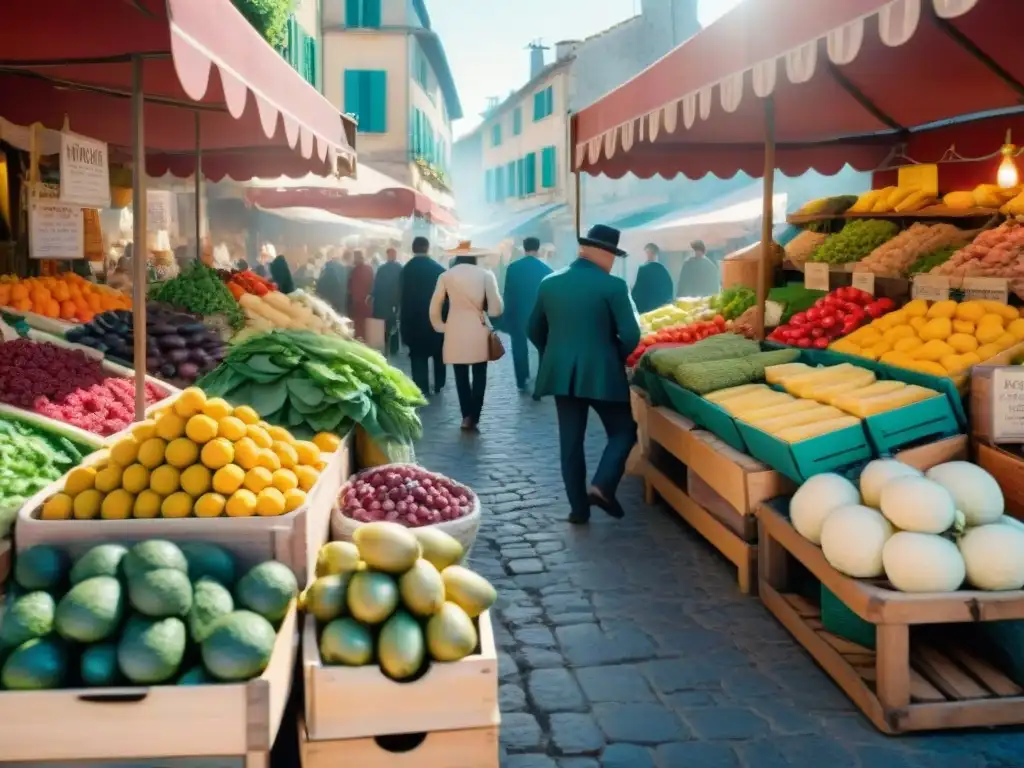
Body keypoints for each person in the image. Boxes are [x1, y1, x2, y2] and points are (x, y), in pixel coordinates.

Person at [529, 224, 641, 525]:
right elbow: (631, 335)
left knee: (571, 442)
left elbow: (533, 330)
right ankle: (603, 485)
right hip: (603, 371)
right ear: (601, 253)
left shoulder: (549, 283)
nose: (613, 261)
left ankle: (578, 510)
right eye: (613, 255)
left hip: (561, 373)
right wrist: (610, 354)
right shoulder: (614, 286)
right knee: (624, 431)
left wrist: (554, 354)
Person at [430, 242, 503, 431]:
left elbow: (435, 306)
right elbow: (496, 309)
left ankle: (466, 416)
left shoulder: (446, 276)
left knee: (460, 374)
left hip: (455, 327)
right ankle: (475, 416)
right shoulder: (486, 274)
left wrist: (440, 326)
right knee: (480, 373)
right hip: (478, 327)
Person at [503, 236, 552, 394]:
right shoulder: (546, 270)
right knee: (542, 347)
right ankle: (543, 380)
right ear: (538, 248)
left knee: (519, 346)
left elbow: (508, 294)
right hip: (540, 315)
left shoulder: (513, 268)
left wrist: (507, 316)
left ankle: (521, 379)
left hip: (518, 314)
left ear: (524, 248)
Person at [401, 236, 447, 395]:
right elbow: (446, 298)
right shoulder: (439, 270)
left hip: (413, 322)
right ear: (427, 248)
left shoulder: (406, 270)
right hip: (436, 320)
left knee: (418, 356)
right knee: (439, 354)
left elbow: (402, 297)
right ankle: (439, 383)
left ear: (413, 249)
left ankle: (422, 387)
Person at [373, 247, 403, 356]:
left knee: (386, 324)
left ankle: (386, 345)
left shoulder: (382, 268)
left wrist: (373, 296)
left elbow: (376, 284)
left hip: (384, 301)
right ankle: (393, 348)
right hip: (394, 301)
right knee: (393, 323)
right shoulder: (399, 268)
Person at [631, 242, 674, 313]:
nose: (648, 255)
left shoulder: (644, 269)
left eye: (649, 252)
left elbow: (637, 290)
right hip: (658, 308)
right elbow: (669, 289)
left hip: (647, 308)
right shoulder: (661, 269)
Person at [348, 250, 374, 339]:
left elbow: (350, 287)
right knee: (367, 326)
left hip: (357, 303)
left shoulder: (353, 271)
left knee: (359, 327)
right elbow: (373, 284)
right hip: (368, 302)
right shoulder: (369, 269)